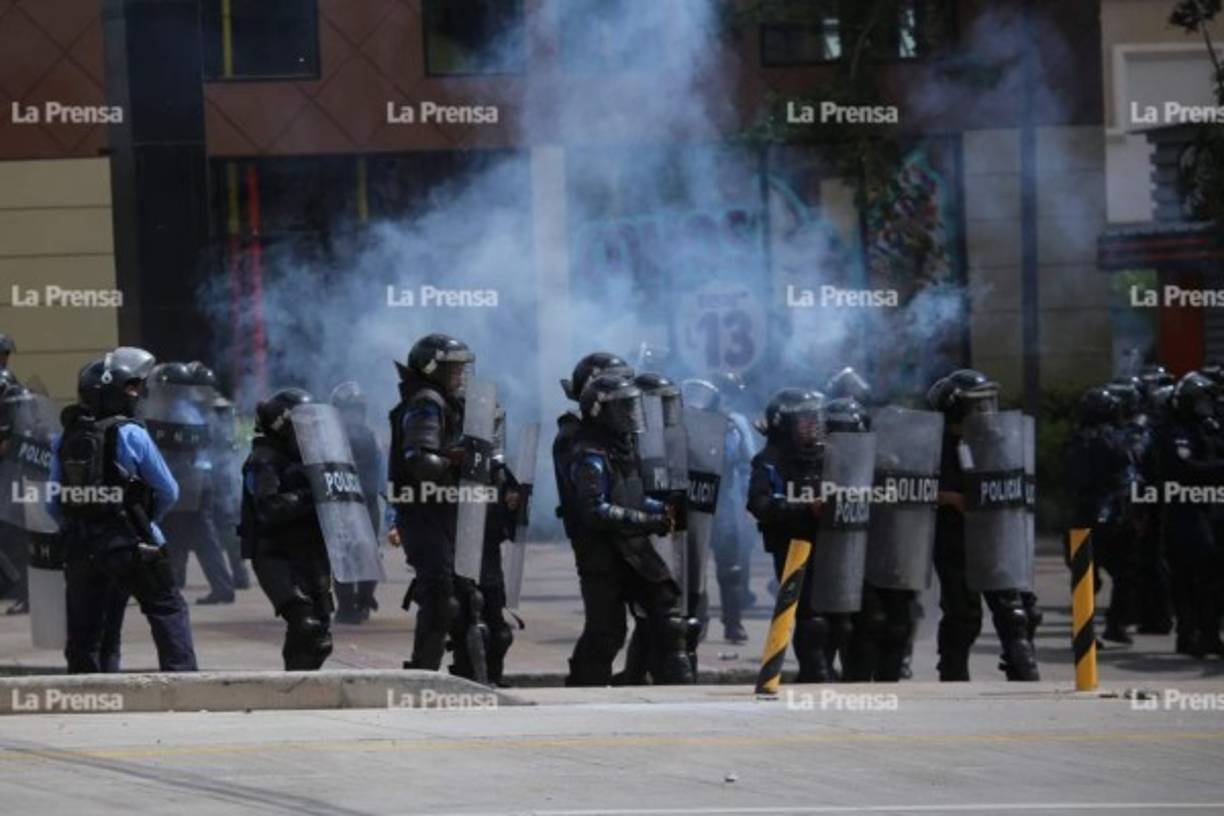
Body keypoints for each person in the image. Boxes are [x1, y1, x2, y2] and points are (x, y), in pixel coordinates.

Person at [51, 350, 198, 673]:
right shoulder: (132, 433)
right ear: (115, 393)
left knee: (85, 629)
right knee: (167, 609)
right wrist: (147, 520)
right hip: (132, 544)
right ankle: (185, 684)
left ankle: (86, 693)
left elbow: (53, 501)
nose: (137, 393)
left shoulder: (65, 437)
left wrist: (79, 523)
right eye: (131, 387)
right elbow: (167, 490)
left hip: (81, 547)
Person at [559, 373, 691, 686]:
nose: (631, 415)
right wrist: (649, 522)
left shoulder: (622, 445)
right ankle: (582, 694)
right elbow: (596, 510)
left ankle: (679, 693)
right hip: (603, 556)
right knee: (606, 634)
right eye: (623, 408)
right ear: (598, 411)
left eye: (632, 407)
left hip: (635, 551)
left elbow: (629, 494)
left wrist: (664, 509)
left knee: (670, 621)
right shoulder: (588, 453)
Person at [928, 369, 1039, 681]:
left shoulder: (997, 441)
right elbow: (909, 491)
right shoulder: (933, 447)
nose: (987, 412)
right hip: (953, 539)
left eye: (988, 403)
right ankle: (952, 676)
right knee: (963, 616)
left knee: (1016, 612)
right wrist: (948, 497)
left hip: (994, 537)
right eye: (978, 405)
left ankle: (1025, 676)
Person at [388, 334, 474, 671]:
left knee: (463, 596)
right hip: (422, 511)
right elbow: (420, 461)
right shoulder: (427, 400)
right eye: (452, 368)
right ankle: (423, 673)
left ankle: (469, 675)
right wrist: (456, 461)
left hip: (443, 510)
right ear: (432, 368)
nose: (459, 374)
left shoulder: (446, 401)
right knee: (441, 596)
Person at [748, 387, 841, 681]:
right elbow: (759, 503)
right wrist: (805, 509)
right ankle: (816, 673)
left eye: (815, 418)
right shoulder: (770, 460)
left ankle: (823, 670)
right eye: (804, 419)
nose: (813, 425)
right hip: (792, 545)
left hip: (832, 546)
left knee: (838, 617)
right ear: (784, 424)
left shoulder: (829, 456)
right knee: (810, 617)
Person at [239, 387, 335, 670]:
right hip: (275, 553)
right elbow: (270, 508)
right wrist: (311, 495)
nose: (310, 435)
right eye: (302, 429)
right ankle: (294, 684)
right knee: (304, 622)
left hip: (310, 550)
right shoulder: (263, 460)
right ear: (283, 427)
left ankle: (306, 683)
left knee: (321, 631)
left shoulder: (310, 460)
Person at [146, 362, 234, 604]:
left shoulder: (174, 413)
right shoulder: (188, 409)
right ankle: (218, 585)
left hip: (186, 481)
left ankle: (175, 587)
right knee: (199, 538)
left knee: (181, 535)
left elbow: (174, 455)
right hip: (198, 479)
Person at [1156, 372, 1224, 657]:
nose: (1207, 404)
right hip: (1185, 509)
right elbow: (1184, 470)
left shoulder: (1207, 427)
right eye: (1202, 399)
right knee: (1196, 573)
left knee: (1209, 575)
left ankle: (1204, 634)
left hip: (1211, 509)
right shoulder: (1176, 432)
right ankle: (1193, 633)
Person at [1065, 387, 1137, 644]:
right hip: (1099, 516)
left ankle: (1108, 627)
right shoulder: (1107, 440)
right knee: (1092, 579)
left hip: (1094, 515)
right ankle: (1095, 631)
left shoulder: (1077, 439)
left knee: (1097, 578)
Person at [330, 381, 383, 624]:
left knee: (367, 554)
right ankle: (347, 604)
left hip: (365, 503)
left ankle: (362, 600)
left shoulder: (371, 438)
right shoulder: (329, 439)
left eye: (355, 409)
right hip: (341, 505)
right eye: (347, 409)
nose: (351, 415)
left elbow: (380, 473)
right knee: (343, 555)